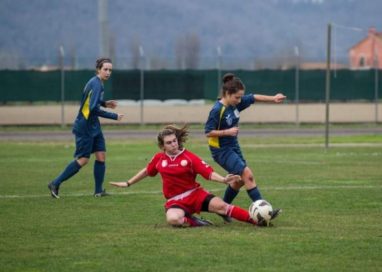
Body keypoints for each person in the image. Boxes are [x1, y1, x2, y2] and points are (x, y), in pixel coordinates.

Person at [110, 125, 268, 227]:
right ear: (162, 145)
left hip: (196, 194)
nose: (173, 144)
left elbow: (208, 173)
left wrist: (224, 179)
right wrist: (128, 183)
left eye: (174, 141)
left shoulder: (189, 157)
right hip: (175, 201)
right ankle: (195, 222)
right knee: (173, 219)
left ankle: (256, 219)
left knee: (222, 207)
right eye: (169, 143)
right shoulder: (159, 159)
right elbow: (147, 171)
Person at [204, 73, 286, 222]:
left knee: (240, 180)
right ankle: (264, 212)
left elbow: (253, 97)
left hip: (233, 147)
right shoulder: (217, 110)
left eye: (240, 97)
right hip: (221, 150)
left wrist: (273, 98)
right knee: (247, 175)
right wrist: (227, 132)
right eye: (237, 97)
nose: (240, 100)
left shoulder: (235, 103)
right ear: (227, 94)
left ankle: (223, 209)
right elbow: (208, 132)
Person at [48, 57, 124, 198]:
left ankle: (98, 191)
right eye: (105, 69)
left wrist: (105, 103)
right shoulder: (96, 84)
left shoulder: (97, 82)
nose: (108, 72)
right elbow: (93, 109)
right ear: (98, 69)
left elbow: (92, 102)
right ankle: (55, 183)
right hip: (85, 127)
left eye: (110, 70)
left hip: (94, 126)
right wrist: (114, 116)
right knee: (83, 159)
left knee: (101, 156)